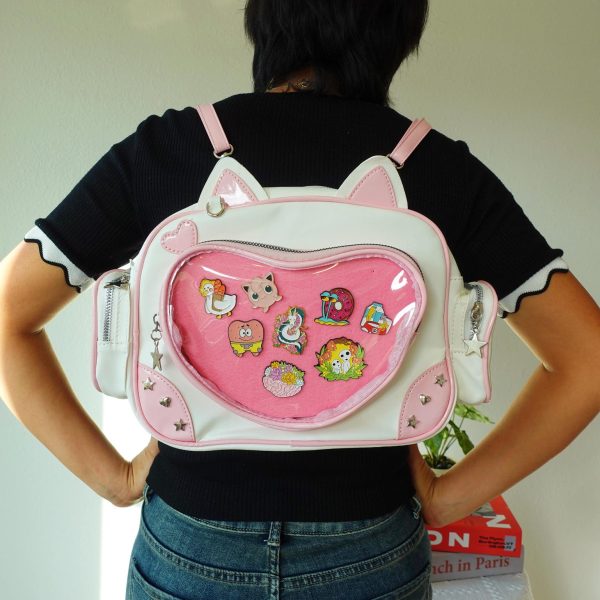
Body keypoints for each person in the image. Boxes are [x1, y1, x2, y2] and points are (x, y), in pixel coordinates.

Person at [0, 1, 598, 598]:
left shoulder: (170, 148)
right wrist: (449, 499)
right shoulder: (436, 168)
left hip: (190, 547)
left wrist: (116, 481)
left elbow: (8, 316)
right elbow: (588, 359)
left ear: (263, 20)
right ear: (399, 33)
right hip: (370, 549)